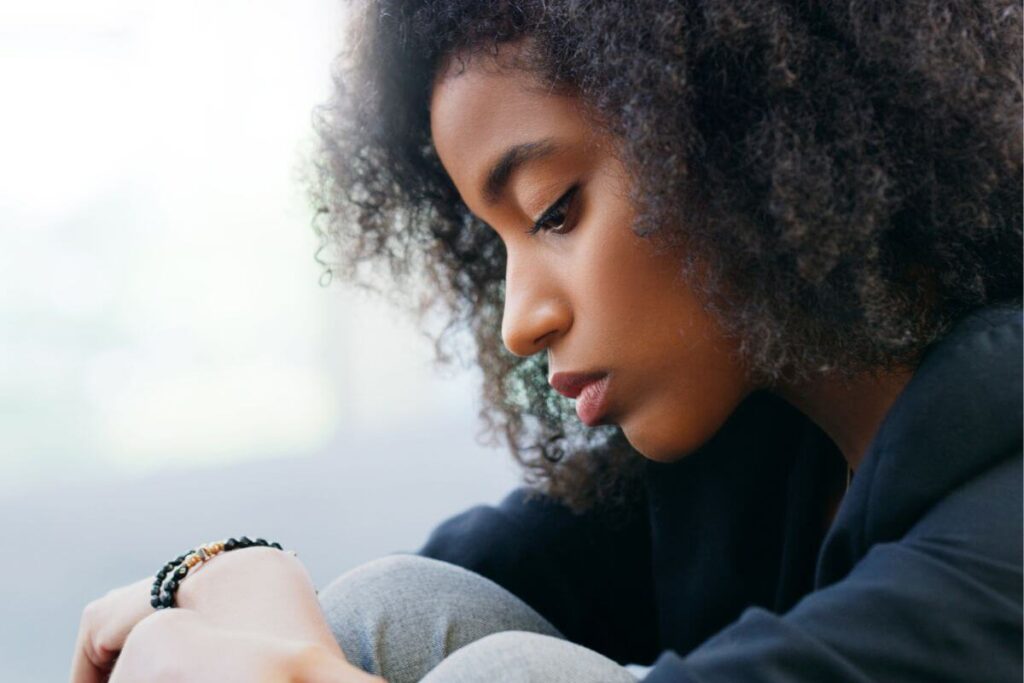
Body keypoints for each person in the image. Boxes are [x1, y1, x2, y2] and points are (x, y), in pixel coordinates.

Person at [71, 1, 1022, 681]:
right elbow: (406, 603)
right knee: (387, 604)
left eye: (554, 210)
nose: (519, 319)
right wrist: (211, 580)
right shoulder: (753, 434)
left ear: (745, 128)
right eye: (499, 243)